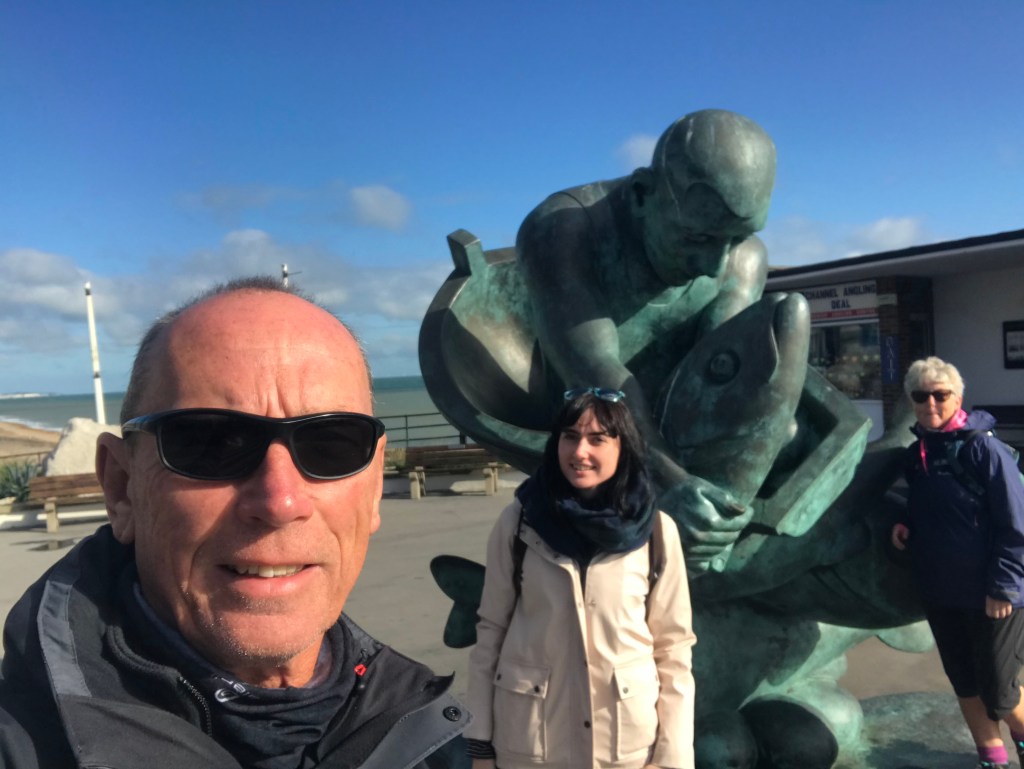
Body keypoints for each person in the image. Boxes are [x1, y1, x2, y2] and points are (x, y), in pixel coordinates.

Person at [0, 277, 469, 769]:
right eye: (212, 444)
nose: (280, 501)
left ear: (373, 488)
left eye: (331, 445)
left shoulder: (429, 735)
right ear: (122, 487)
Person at [515, 109, 778, 571]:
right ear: (642, 193)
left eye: (738, 238)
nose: (715, 265)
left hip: (675, 446)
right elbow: (593, 368)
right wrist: (671, 483)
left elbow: (719, 389)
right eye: (697, 237)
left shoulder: (745, 260)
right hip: (581, 433)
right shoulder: (564, 227)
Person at [465, 387, 696, 769]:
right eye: (570, 437)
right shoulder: (520, 522)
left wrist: (672, 758)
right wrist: (480, 746)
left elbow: (673, 649)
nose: (580, 452)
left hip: (627, 749)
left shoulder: (656, 531)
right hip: (531, 745)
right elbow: (490, 631)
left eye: (597, 439)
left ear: (623, 447)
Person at [892, 356, 1024, 769]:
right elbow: (925, 504)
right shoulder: (917, 455)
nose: (930, 403)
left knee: (999, 690)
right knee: (965, 682)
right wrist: (905, 523)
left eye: (940, 394)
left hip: (992, 594)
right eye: (920, 396)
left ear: (958, 397)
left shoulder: (984, 449)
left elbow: (1016, 523)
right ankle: (992, 759)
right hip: (942, 592)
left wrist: (1003, 586)